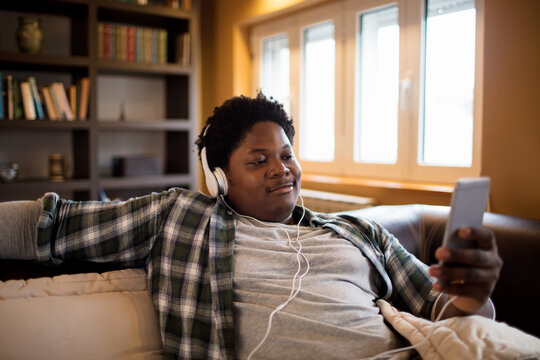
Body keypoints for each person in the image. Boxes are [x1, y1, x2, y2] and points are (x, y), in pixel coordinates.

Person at [0, 92, 502, 359]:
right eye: (258, 160)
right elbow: (49, 225)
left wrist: (475, 292)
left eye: (286, 155)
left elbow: (445, 311)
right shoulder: (182, 219)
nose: (281, 169)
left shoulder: (359, 232)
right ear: (220, 179)